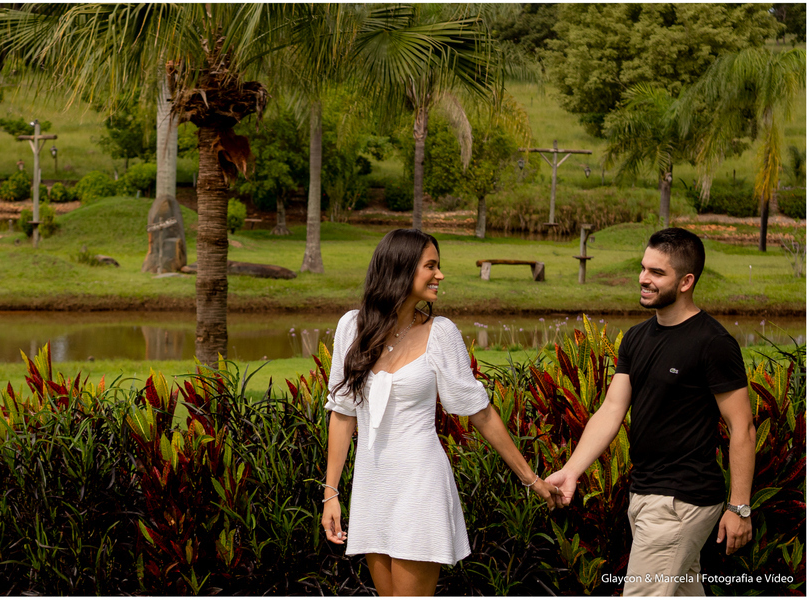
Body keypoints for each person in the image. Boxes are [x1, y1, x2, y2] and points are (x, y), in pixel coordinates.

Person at [321, 228, 559, 596]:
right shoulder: (352, 328)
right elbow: (343, 412)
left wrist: (531, 479)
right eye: (430, 266)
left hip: (421, 485)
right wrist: (330, 492)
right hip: (373, 487)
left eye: (438, 266)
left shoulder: (441, 333)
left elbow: (479, 412)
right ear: (400, 269)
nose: (440, 275)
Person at [546, 228, 756, 596]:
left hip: (680, 500)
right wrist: (571, 471)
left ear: (687, 281)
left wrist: (739, 508)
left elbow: (743, 428)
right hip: (645, 494)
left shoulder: (713, 343)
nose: (643, 279)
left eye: (657, 273)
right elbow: (612, 409)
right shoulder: (637, 337)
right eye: (644, 269)